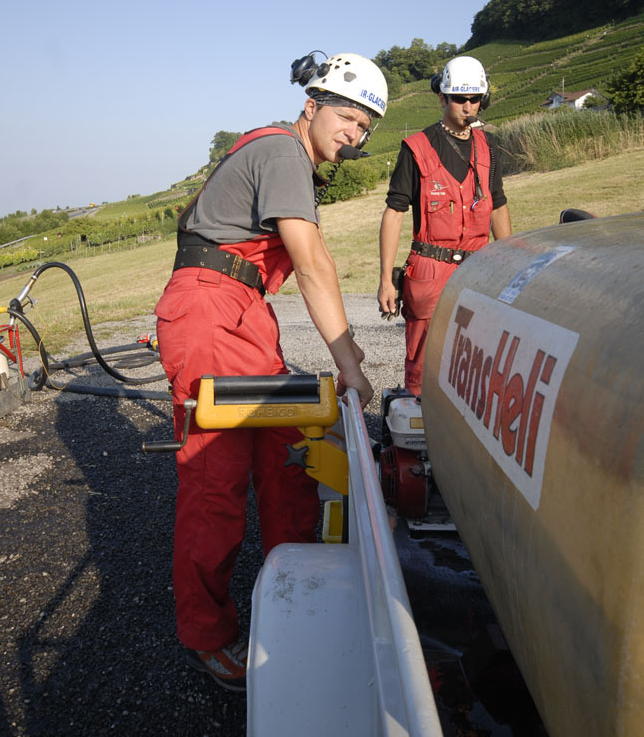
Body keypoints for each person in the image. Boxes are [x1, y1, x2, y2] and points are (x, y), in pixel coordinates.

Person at [154, 52, 388, 692]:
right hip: (209, 306)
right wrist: (350, 362)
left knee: (289, 453)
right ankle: (209, 634)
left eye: (366, 126)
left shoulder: (292, 160)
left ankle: (301, 597)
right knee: (216, 479)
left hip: (243, 308)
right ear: (311, 104)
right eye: (348, 116)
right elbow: (313, 264)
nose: (355, 133)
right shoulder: (285, 152)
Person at [377, 55, 511, 396]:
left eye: (474, 99)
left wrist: (510, 263)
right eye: (459, 98)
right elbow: (394, 213)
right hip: (430, 267)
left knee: (480, 355)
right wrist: (384, 281)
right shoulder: (416, 148)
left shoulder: (490, 147)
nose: (468, 106)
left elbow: (497, 204)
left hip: (480, 267)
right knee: (423, 364)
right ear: (443, 99)